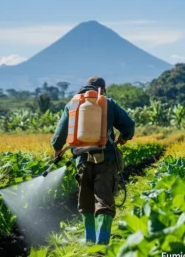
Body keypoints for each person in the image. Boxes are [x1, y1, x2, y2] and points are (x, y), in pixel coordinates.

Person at [51, 76, 135, 245]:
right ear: (102, 89)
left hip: (82, 160)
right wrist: (125, 138)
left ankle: (89, 242)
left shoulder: (72, 105)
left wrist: (57, 150)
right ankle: (101, 243)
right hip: (107, 159)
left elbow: (59, 136)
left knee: (86, 201)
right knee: (105, 201)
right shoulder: (108, 103)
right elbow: (129, 125)